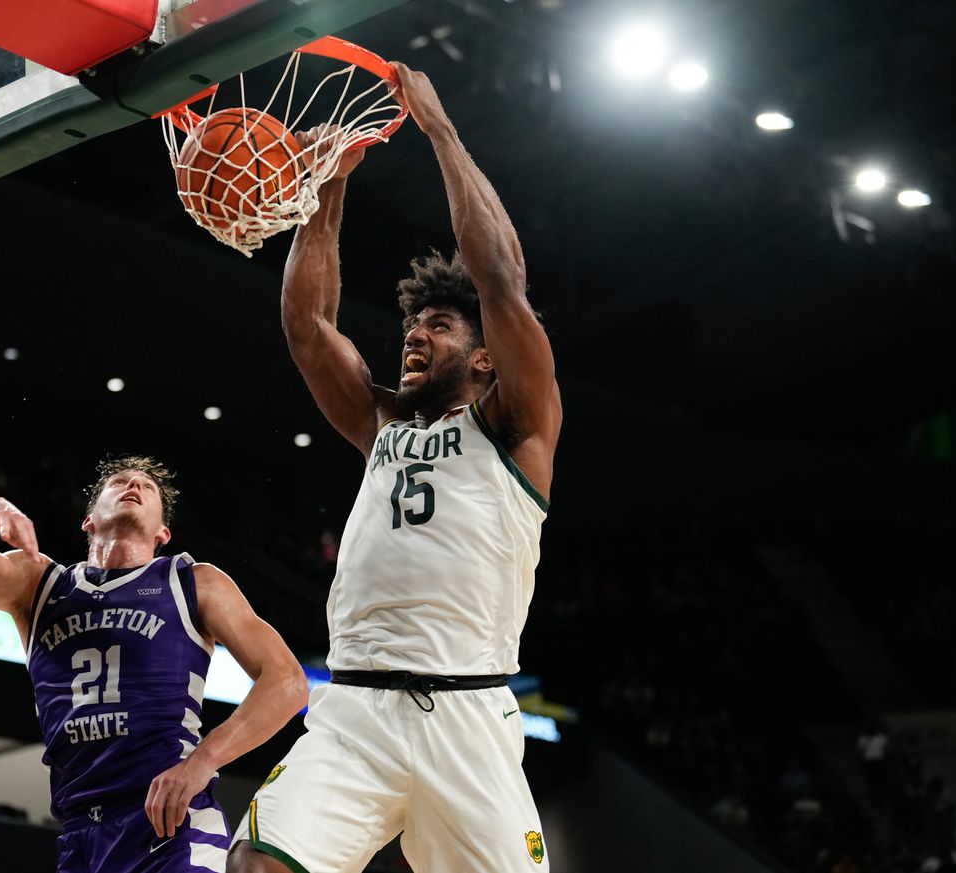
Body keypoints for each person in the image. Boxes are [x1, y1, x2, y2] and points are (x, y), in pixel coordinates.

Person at [229, 62, 562, 873]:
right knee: (257, 865)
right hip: (356, 712)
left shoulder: (516, 423)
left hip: (468, 716)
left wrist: (440, 130)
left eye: (440, 326)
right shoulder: (380, 419)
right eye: (413, 325)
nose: (414, 334)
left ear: (485, 358)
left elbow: (500, 278)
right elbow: (307, 326)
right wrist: (328, 186)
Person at [0, 455, 307, 873]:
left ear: (163, 532)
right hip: (80, 831)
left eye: (147, 487)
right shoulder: (38, 584)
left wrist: (203, 762)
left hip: (167, 820)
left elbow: (287, 681)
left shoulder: (192, 582)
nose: (134, 485)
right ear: (88, 521)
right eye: (119, 482)